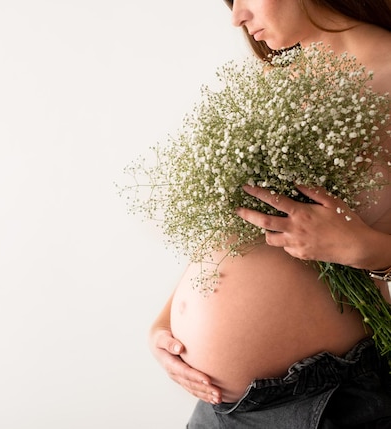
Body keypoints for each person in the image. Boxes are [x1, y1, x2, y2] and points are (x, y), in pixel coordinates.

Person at [148, 0, 391, 427]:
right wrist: (165, 323)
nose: (237, 17)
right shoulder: (277, 78)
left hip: (324, 400)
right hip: (218, 406)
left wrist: (369, 251)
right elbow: (239, 224)